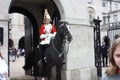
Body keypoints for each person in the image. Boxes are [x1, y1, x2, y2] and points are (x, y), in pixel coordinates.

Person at [39, 11, 56, 76]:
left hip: (51, 41)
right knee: (43, 48)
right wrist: (46, 35)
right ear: (44, 20)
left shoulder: (52, 26)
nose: (47, 20)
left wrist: (50, 35)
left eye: (48, 19)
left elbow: (55, 33)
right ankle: (41, 59)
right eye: (46, 20)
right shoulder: (42, 26)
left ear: (50, 20)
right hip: (45, 41)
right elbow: (41, 36)